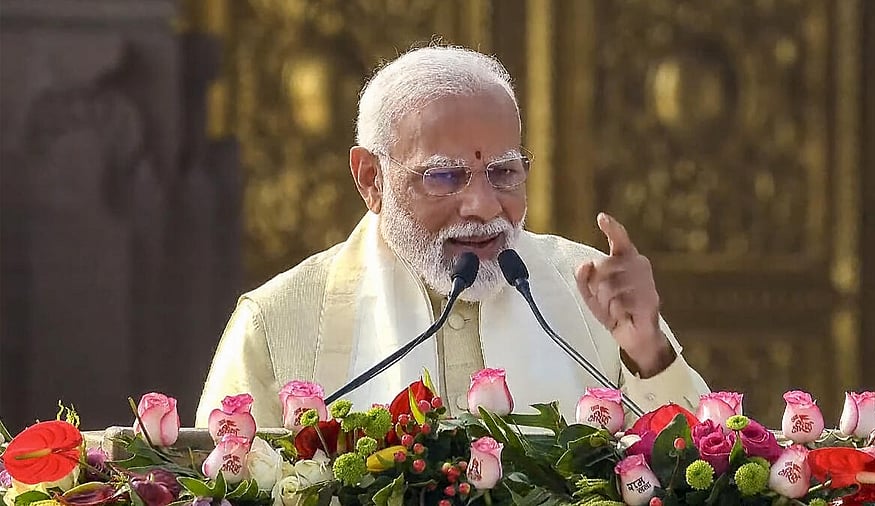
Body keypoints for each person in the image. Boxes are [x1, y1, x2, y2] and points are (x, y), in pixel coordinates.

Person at [196, 45, 709, 428]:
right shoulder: (277, 324)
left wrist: (648, 352)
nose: (484, 206)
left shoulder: (590, 295)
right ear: (370, 178)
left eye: (504, 172)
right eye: (444, 176)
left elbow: (700, 472)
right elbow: (217, 479)